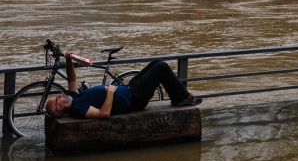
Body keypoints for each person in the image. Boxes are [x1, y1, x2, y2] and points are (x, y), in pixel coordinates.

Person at [44, 54, 201, 119]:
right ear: (59, 108)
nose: (59, 95)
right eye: (57, 98)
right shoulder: (78, 108)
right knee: (161, 66)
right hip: (134, 99)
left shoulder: (75, 98)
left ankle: (178, 97)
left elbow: (72, 78)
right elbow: (103, 114)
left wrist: (69, 60)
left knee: (155, 63)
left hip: (130, 89)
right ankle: (181, 98)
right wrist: (111, 92)